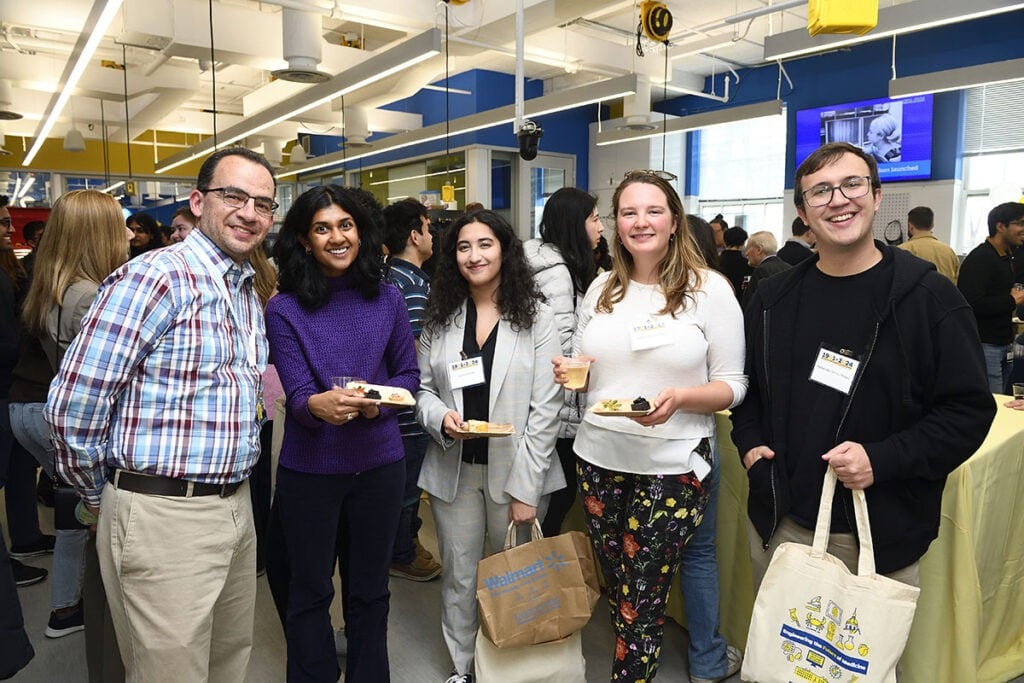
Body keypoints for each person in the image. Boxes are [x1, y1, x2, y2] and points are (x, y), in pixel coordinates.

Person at [731, 143, 995, 615]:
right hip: (781, 523)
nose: (838, 200)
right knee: (777, 658)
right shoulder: (772, 298)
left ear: (876, 196)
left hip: (876, 533)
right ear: (803, 213)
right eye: (820, 191)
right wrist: (750, 444)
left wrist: (883, 458)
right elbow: (746, 388)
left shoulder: (929, 299)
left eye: (852, 184)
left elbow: (968, 413)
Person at [46, 147, 276, 681]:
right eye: (233, 196)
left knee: (227, 659)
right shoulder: (156, 278)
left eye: (263, 204)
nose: (249, 212)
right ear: (198, 202)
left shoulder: (242, 287)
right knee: (169, 671)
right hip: (161, 514)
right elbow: (74, 403)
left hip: (234, 508)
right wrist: (98, 494)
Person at [553, 171, 746, 683]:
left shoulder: (710, 291)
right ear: (616, 223)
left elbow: (733, 385)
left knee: (642, 592)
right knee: (619, 586)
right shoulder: (602, 288)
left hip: (675, 464)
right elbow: (585, 369)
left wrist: (681, 398)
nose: (641, 222)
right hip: (599, 459)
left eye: (653, 210)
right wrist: (573, 375)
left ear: (674, 220)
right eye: (629, 212)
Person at [266, 184, 418, 683]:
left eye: (345, 225)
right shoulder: (284, 308)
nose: (336, 237)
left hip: (380, 465)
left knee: (370, 592)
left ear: (361, 231)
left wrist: (380, 402)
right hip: (310, 471)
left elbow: (408, 377)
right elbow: (298, 392)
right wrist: (317, 406)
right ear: (305, 241)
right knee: (308, 592)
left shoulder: (389, 298)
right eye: (322, 228)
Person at [416, 209, 563, 683]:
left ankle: (511, 668)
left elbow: (547, 407)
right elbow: (421, 389)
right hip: (453, 469)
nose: (474, 255)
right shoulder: (441, 317)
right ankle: (463, 668)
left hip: (519, 469)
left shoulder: (536, 317)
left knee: (514, 578)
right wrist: (441, 417)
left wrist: (527, 489)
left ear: (504, 250)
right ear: (451, 256)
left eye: (485, 244)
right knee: (460, 578)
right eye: (463, 247)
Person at [10, 190, 132, 641]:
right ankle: (92, 610)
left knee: (75, 512)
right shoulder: (91, 297)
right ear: (95, 235)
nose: (126, 233)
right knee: (93, 515)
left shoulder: (53, 286)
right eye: (117, 225)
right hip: (63, 418)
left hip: (31, 411)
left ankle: (66, 607)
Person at [523, 187, 602, 538]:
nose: (601, 228)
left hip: (546, 404)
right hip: (558, 408)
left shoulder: (547, 264)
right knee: (557, 495)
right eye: (595, 219)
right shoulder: (557, 273)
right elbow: (562, 345)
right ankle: (539, 578)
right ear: (575, 223)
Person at [380, 197, 443, 582]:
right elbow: (420, 354)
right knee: (407, 487)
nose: (433, 235)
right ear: (414, 235)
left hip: (392, 405)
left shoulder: (389, 278)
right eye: (428, 227)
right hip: (410, 407)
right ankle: (402, 552)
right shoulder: (413, 287)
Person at [957, 201, 1024, 393]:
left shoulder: (1007, 256)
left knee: (1002, 402)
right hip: (985, 345)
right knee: (992, 405)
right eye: (1019, 223)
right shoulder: (980, 259)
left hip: (1004, 343)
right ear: (1001, 227)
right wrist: (1012, 300)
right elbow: (970, 304)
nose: (1023, 229)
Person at [898, 206, 960, 282]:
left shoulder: (901, 250)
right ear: (932, 225)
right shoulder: (949, 252)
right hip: (943, 293)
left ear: (910, 226)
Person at [742, 230, 791, 309]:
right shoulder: (789, 268)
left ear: (759, 250)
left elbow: (751, 305)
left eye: (748, 249)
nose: (746, 253)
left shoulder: (761, 271)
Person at [716, 225, 752, 298]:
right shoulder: (747, 264)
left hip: (719, 299)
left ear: (725, 241)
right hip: (739, 302)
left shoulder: (716, 261)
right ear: (743, 243)